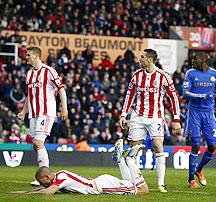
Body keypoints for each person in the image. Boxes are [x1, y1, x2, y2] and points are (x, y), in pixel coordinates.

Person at [118, 49, 181, 193]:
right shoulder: (136, 76)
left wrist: (176, 119)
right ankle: (135, 181)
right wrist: (123, 115)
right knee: (134, 149)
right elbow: (129, 95)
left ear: (150, 60)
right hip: (138, 116)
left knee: (158, 145)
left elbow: (174, 97)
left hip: (155, 117)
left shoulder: (163, 76)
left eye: (142, 57)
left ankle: (161, 183)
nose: (139, 60)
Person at [13, 141, 149, 196]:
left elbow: (48, 192)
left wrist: (29, 194)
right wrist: (23, 193)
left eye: (41, 180)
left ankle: (129, 160)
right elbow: (43, 189)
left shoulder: (61, 177)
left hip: (101, 186)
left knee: (143, 192)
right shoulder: (60, 176)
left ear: (48, 177)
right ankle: (121, 160)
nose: (42, 184)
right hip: (102, 183)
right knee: (130, 184)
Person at [17, 47, 68, 186]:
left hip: (46, 113)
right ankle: (45, 174)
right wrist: (23, 111)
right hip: (33, 114)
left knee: (38, 143)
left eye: (28, 55)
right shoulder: (29, 74)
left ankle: (45, 177)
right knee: (36, 145)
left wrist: (64, 108)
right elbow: (29, 95)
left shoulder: (49, 71)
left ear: (35, 56)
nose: (25, 57)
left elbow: (61, 89)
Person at [182, 53, 216, 188]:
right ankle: (191, 179)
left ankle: (199, 170)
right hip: (194, 113)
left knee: (212, 146)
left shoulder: (215, 74)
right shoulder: (190, 73)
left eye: (195, 59)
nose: (192, 61)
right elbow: (185, 92)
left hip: (208, 114)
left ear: (203, 61)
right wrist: (202, 95)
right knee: (196, 145)